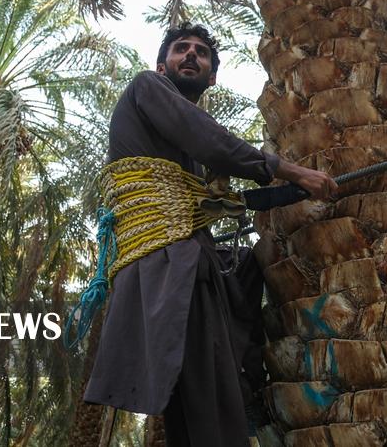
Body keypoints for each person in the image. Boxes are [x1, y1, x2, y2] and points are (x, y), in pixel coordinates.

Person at [83, 23, 336, 446]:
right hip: (171, 266)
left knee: (249, 268)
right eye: (181, 49)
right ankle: (244, 392)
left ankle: (251, 384)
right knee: (209, 401)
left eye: (201, 53)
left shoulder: (189, 160)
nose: (191, 55)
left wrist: (285, 194)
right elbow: (211, 140)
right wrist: (293, 171)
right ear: (161, 66)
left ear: (213, 77)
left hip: (188, 264)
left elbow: (219, 201)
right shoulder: (147, 87)